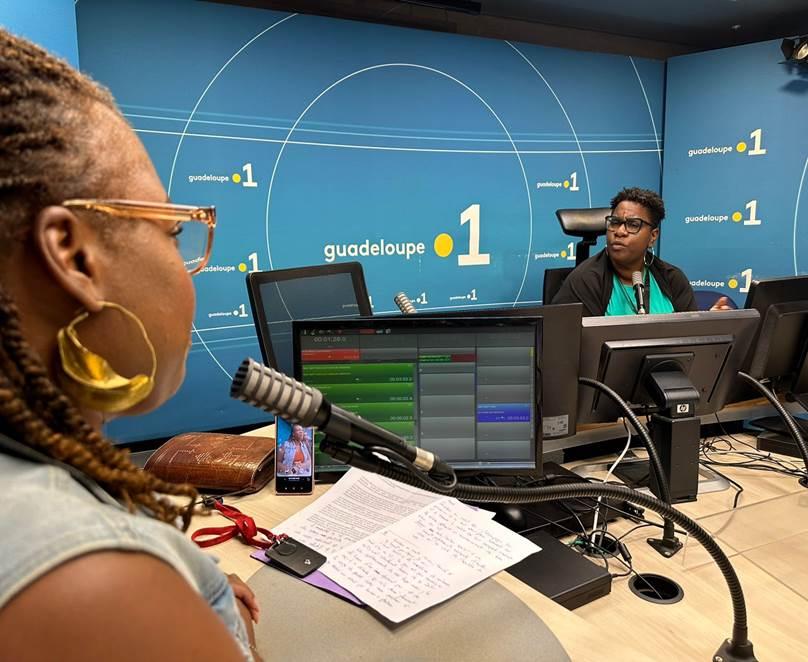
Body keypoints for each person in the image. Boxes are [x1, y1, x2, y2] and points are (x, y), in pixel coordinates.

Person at [0, 30, 260, 661]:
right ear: (73, 257)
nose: (186, 265)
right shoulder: (90, 584)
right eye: (172, 230)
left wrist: (179, 591)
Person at [551, 187, 731, 315]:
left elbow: (689, 338)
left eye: (632, 225)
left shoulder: (672, 279)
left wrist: (707, 325)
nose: (620, 231)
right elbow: (569, 347)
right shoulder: (585, 281)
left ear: (653, 236)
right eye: (614, 222)